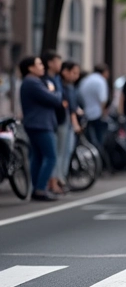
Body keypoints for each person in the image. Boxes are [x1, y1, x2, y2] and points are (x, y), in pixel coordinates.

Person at [19, 56, 63, 201]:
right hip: (40, 125)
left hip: (36, 124)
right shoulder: (32, 82)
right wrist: (53, 90)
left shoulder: (31, 82)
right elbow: (55, 100)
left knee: (37, 157)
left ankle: (37, 188)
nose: (42, 66)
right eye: (38, 64)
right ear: (30, 68)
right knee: (50, 156)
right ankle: (40, 189)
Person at [55, 60, 82, 190]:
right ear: (65, 71)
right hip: (62, 121)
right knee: (61, 151)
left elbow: (72, 106)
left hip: (67, 122)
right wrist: (75, 122)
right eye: (74, 72)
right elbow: (69, 107)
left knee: (67, 150)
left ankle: (62, 178)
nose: (76, 76)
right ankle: (59, 179)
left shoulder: (70, 87)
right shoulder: (59, 84)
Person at [41, 49, 64, 193]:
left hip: (56, 120)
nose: (59, 64)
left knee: (56, 154)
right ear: (50, 63)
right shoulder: (44, 81)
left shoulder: (56, 79)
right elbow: (56, 99)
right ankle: (46, 185)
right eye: (57, 61)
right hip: (49, 122)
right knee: (52, 155)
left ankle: (53, 182)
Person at [78, 64, 110, 148]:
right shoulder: (101, 81)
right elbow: (103, 99)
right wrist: (103, 113)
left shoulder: (85, 80)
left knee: (88, 140)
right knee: (99, 139)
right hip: (97, 113)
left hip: (86, 113)